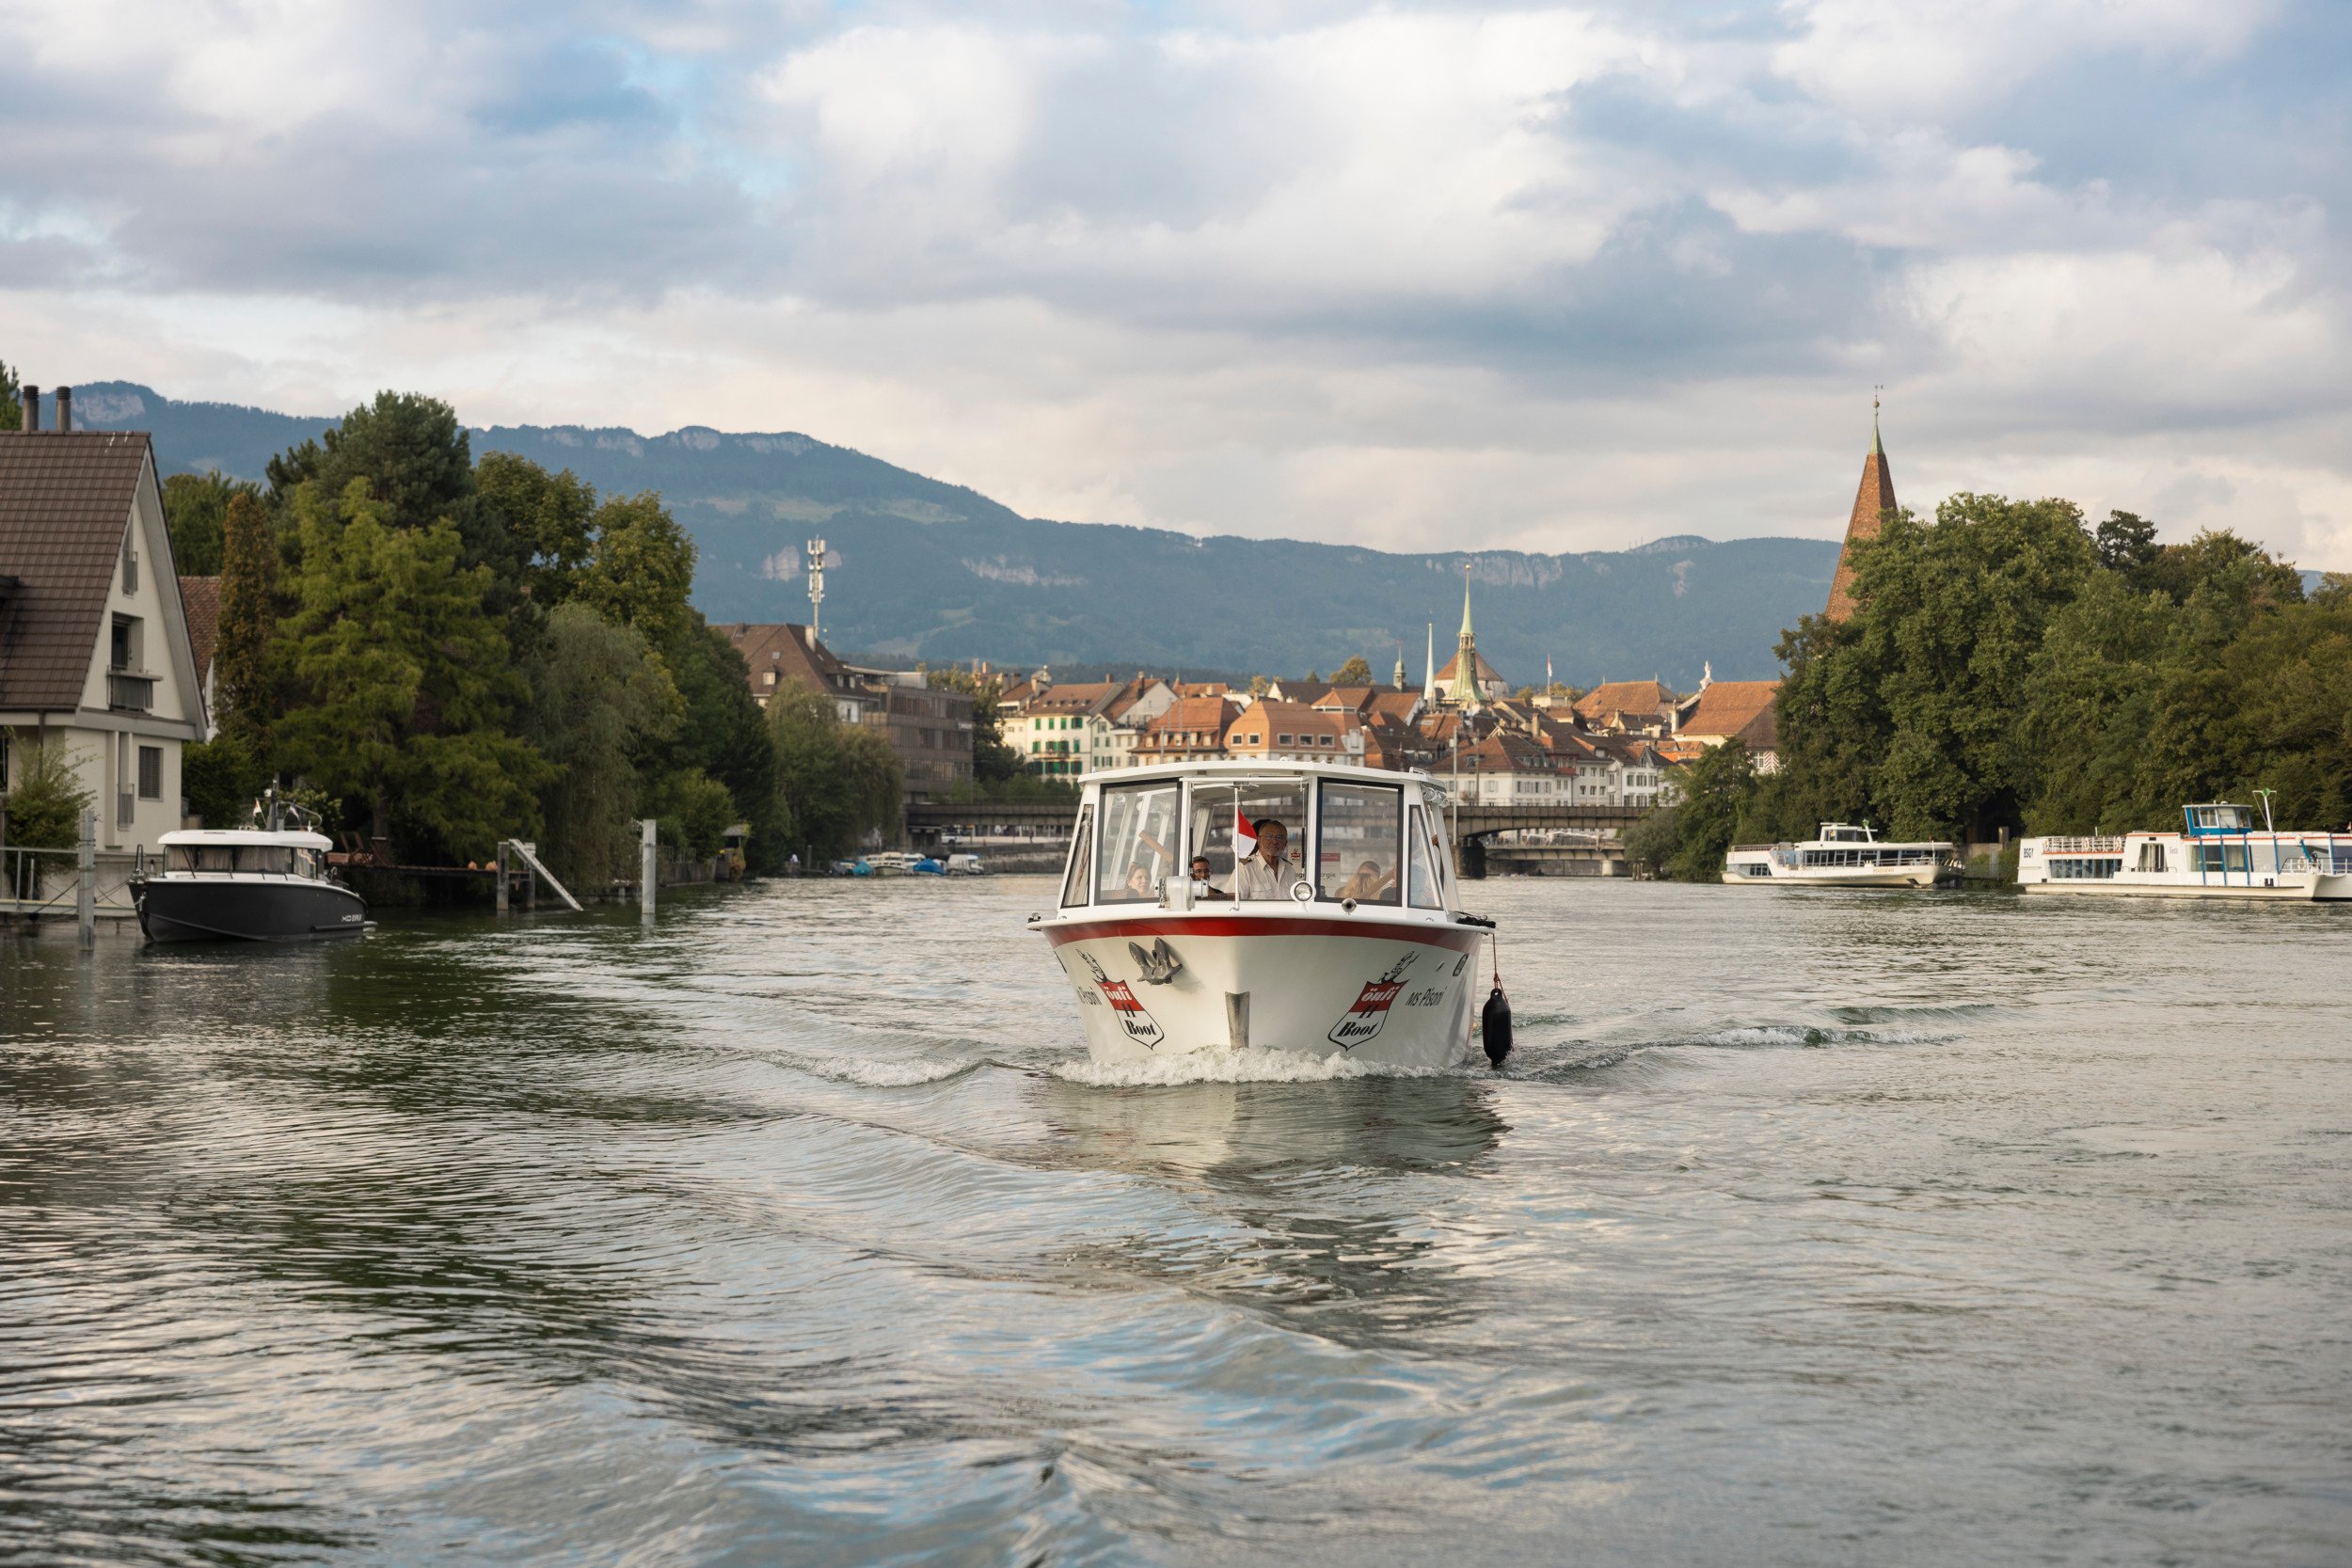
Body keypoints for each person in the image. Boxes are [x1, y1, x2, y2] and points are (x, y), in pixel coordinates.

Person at [1233, 818, 1303, 899]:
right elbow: (1232, 904)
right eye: (1269, 837)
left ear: (1285, 843)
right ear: (1259, 840)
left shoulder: (1289, 869)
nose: (1274, 842)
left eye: (1279, 838)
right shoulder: (1245, 868)